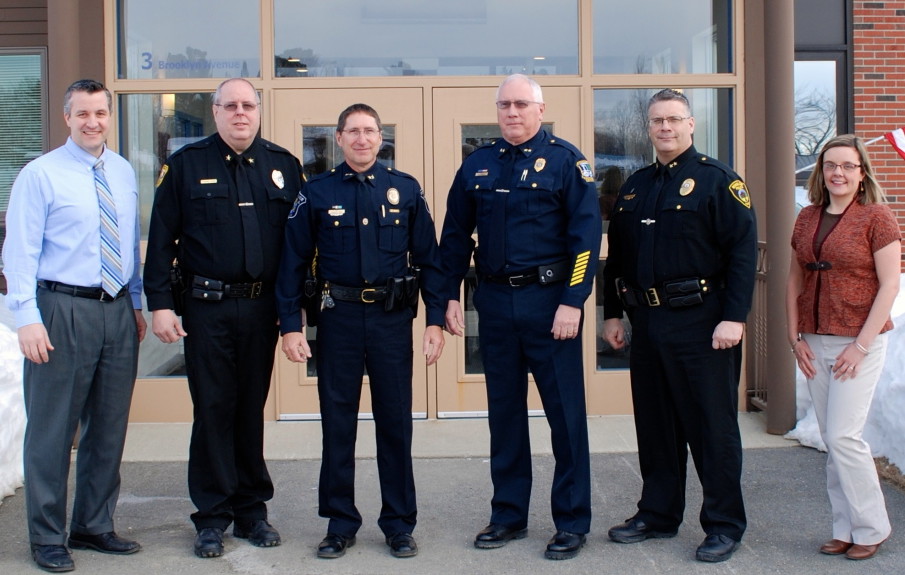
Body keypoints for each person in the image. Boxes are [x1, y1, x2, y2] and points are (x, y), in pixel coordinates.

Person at [439, 74, 601, 561]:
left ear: (540, 108)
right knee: (504, 416)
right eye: (505, 104)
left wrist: (573, 301)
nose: (512, 112)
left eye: (521, 104)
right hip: (495, 305)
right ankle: (507, 515)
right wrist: (449, 293)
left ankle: (571, 521)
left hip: (551, 306)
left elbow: (586, 239)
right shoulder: (478, 164)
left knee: (564, 418)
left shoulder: (568, 162)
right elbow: (454, 235)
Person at [276, 103, 446, 560]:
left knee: (395, 423)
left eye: (370, 131)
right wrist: (290, 326)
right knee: (338, 422)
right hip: (339, 320)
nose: (362, 139)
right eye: (353, 132)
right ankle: (339, 523)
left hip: (392, 321)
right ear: (338, 138)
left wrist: (435, 320)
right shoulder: (315, 192)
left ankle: (398, 523)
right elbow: (291, 263)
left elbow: (430, 260)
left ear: (381, 137)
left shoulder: (405, 189)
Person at [143, 78, 304, 558]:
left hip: (261, 309)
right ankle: (212, 517)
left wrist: (295, 312)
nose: (239, 113)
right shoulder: (186, 166)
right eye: (229, 105)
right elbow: (161, 238)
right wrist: (159, 303)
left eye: (247, 105)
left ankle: (252, 511)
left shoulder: (284, 167)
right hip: (207, 309)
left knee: (250, 408)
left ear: (258, 110)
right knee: (212, 408)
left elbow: (299, 249)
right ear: (214, 112)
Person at [601, 88, 757, 563]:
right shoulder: (636, 186)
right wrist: (612, 312)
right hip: (648, 323)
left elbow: (743, 254)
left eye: (673, 119)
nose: (664, 128)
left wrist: (734, 317)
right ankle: (658, 514)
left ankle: (724, 524)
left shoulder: (717, 181)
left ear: (691, 124)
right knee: (656, 426)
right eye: (656, 121)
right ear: (648, 128)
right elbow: (617, 259)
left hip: (704, 324)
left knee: (712, 428)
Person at [2, 79, 146, 573]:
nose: (92, 122)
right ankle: (46, 536)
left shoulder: (124, 171)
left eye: (101, 113)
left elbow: (128, 247)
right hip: (60, 310)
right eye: (82, 114)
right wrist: (27, 318)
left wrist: (137, 304)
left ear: (110, 115)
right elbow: (18, 252)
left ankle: (93, 524)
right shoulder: (39, 175)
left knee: (108, 425)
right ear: (67, 117)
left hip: (116, 309)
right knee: (52, 428)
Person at [786, 134, 900, 561]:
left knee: (843, 435)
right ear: (821, 171)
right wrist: (794, 336)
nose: (838, 173)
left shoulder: (877, 217)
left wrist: (862, 345)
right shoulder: (807, 217)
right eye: (831, 165)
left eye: (848, 166)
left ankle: (872, 526)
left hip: (859, 341)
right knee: (834, 441)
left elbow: (890, 285)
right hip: (814, 341)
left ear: (862, 172)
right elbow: (795, 279)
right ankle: (845, 527)